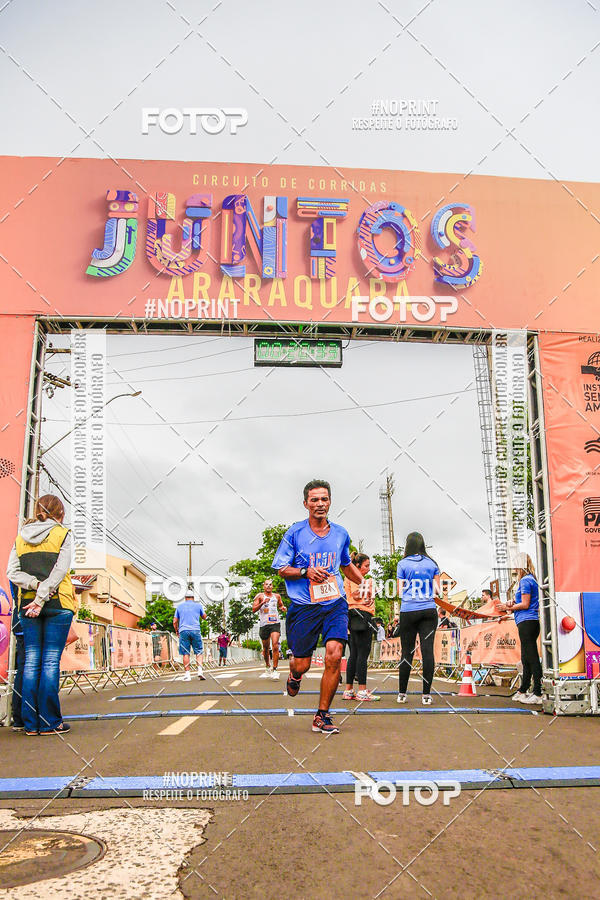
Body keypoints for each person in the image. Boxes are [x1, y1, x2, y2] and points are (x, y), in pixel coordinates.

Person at [272, 479, 364, 734]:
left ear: (330, 502)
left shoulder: (341, 534)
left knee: (334, 654)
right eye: (314, 500)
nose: (320, 504)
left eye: (324, 499)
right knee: (301, 663)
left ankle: (322, 715)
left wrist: (363, 582)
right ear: (306, 504)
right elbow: (281, 568)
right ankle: (295, 676)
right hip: (304, 606)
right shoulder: (295, 533)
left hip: (335, 602)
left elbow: (345, 564)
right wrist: (305, 571)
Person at [6, 494, 75, 735]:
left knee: (32, 662)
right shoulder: (63, 534)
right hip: (58, 603)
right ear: (61, 513)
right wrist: (42, 594)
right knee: (49, 662)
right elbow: (59, 571)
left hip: (27, 605)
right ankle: (50, 722)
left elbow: (11, 573)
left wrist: (34, 590)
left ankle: (30, 723)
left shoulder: (20, 538)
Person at [395, 532, 441, 706]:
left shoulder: (402, 564)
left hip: (408, 610)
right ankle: (426, 695)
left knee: (407, 651)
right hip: (429, 610)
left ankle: (402, 694)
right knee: (428, 652)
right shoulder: (432, 563)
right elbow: (437, 591)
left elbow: (399, 591)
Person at [499, 555, 542, 704]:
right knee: (526, 658)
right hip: (528, 621)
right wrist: (512, 605)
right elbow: (523, 603)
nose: (514, 569)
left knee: (532, 657)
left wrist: (507, 607)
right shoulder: (531, 579)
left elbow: (525, 604)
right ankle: (523, 689)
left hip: (527, 621)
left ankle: (538, 692)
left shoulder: (525, 580)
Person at [343, 552, 379, 701]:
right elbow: (356, 594)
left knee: (355, 654)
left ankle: (349, 690)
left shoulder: (351, 576)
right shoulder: (355, 577)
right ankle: (362, 690)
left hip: (354, 614)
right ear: (357, 565)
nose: (368, 569)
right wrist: (368, 587)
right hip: (361, 614)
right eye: (366, 565)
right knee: (362, 654)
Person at [252, 579, 287, 680]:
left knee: (275, 644)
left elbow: (280, 605)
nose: (268, 586)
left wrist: (283, 608)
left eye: (270, 585)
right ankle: (267, 666)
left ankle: (275, 669)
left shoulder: (277, 596)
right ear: (264, 586)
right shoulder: (260, 597)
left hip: (275, 623)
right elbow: (253, 610)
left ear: (272, 587)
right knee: (266, 648)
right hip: (264, 624)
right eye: (266, 584)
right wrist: (262, 603)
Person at [173, 588, 207, 681]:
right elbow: (204, 617)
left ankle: (187, 675)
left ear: (185, 598)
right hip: (196, 630)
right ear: (193, 597)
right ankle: (200, 671)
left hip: (183, 631)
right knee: (199, 651)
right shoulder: (198, 606)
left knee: (185, 653)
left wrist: (176, 630)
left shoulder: (179, 607)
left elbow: (175, 621)